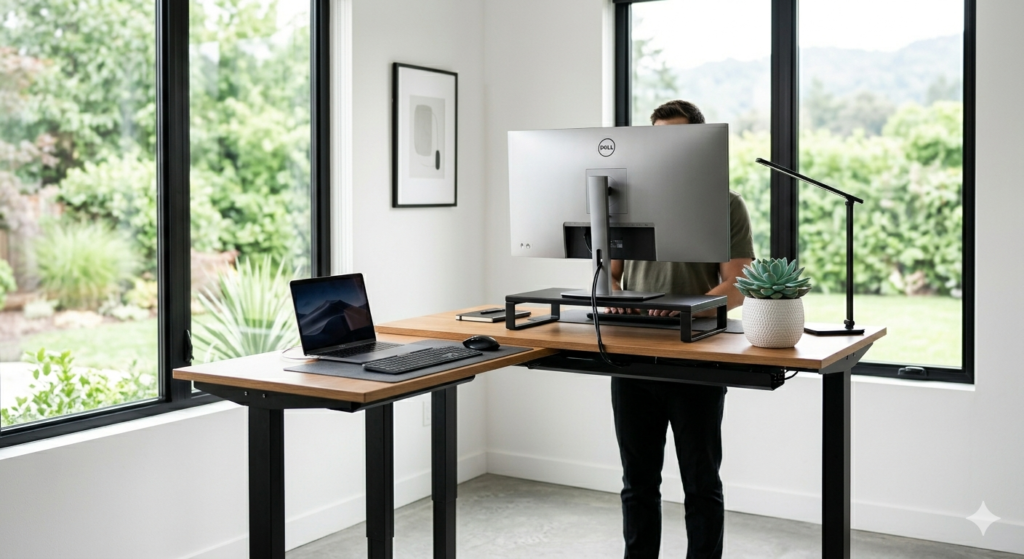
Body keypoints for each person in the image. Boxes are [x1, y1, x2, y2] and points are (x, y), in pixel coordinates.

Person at [608, 100, 755, 559]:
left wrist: (689, 308)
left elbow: (738, 285)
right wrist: (620, 303)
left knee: (701, 482)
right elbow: (609, 274)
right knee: (637, 484)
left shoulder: (725, 205)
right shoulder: (627, 203)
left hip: (697, 356)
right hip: (631, 354)